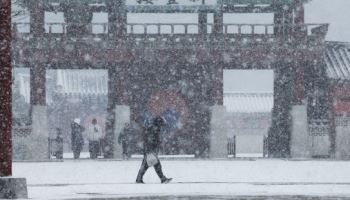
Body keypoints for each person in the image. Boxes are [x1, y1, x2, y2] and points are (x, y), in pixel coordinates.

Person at [136, 116, 172, 184]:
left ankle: (139, 179)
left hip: (150, 150)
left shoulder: (153, 128)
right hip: (150, 150)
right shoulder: (154, 129)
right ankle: (162, 179)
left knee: (147, 165)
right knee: (154, 165)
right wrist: (151, 149)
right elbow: (150, 140)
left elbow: (150, 139)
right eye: (161, 124)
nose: (162, 126)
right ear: (158, 123)